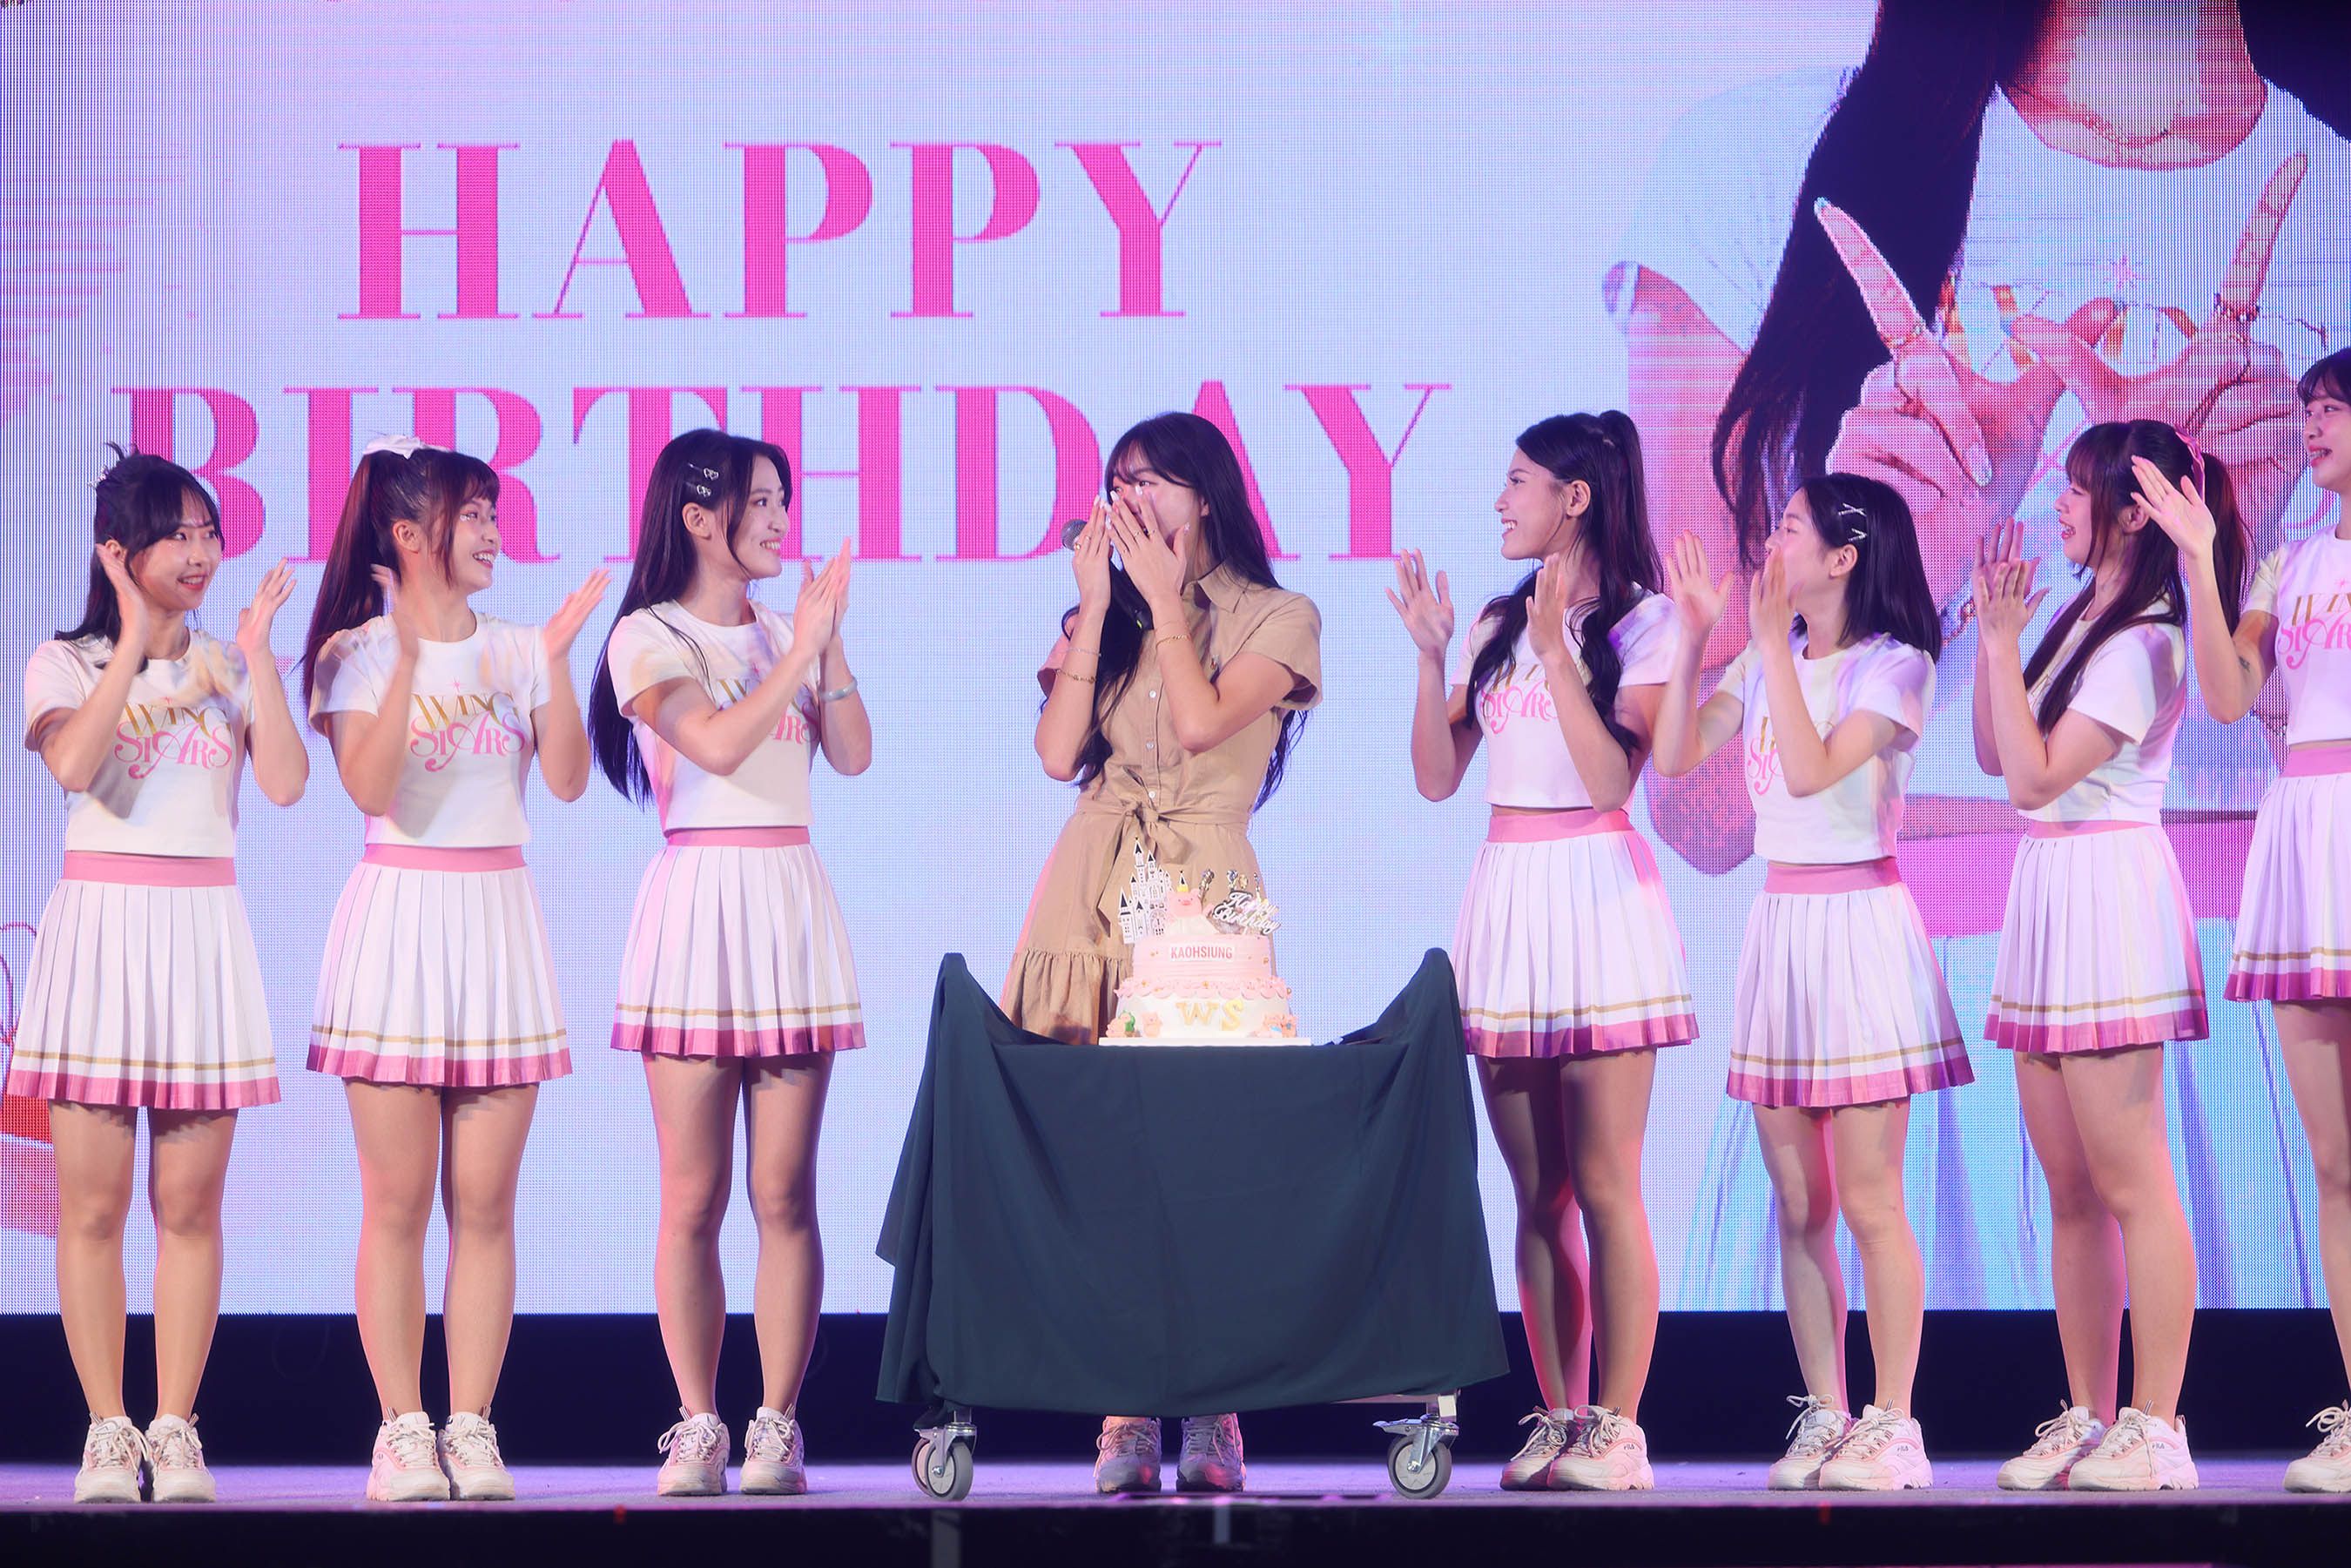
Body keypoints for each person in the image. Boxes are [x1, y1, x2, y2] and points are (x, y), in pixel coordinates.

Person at [1004, 410, 1320, 1494]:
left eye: (1150, 480)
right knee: (1105, 1161)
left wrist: (1169, 602)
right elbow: (1058, 753)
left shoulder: (1277, 615)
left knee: (1208, 1160)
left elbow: (1198, 724)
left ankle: (1215, 1410)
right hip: (1093, 883)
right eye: (1117, 481)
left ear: (1206, 493)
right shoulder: (1106, 614)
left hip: (1203, 891)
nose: (1127, 498)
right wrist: (1100, 606)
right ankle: (1127, 1408)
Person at [300, 436, 609, 1501]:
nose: (490, 531)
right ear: (406, 533)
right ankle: (401, 1428)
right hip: (398, 919)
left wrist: (555, 661)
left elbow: (566, 780)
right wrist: (412, 656)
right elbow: (368, 784)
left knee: (486, 1203)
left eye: (491, 512)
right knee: (397, 1201)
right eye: (471, 513)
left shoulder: (519, 647)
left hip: (496, 922)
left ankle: (471, 1424)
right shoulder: (354, 653)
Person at [1388, 413, 1694, 1491]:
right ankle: (1558, 1415)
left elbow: (1612, 780)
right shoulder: (1494, 621)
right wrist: (1434, 658)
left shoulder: (1648, 623)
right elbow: (1438, 777)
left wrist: (1562, 650)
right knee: (1538, 1194)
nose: (1501, 499)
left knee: (1608, 1182)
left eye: (1518, 480)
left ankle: (1621, 1424)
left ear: (1576, 496)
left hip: (1599, 894)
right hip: (1510, 897)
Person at [1654, 474, 1966, 1491]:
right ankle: (1826, 1412)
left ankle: (1895, 1421)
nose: (1772, 541)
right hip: (1781, 926)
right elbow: (1673, 753)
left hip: (1860, 927)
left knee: (1871, 1199)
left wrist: (1767, 646)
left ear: (1842, 557)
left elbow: (1809, 768)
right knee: (1799, 1204)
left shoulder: (1897, 665)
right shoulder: (1767, 655)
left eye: (1790, 528)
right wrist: (1698, 638)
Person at [9, 448, 306, 1503]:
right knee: (92, 1210)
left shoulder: (228, 663)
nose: (198, 551)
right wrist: (134, 643)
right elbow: (74, 764)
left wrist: (256, 658)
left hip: (200, 935)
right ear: (120, 550)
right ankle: (107, 1429)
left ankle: (175, 1427)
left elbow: (285, 783)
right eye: (176, 533)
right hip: (100, 934)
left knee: (189, 1207)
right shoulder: (65, 661)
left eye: (207, 532)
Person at [588, 430, 869, 1497]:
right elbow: (711, 742)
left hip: (788, 901)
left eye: (783, 499)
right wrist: (799, 650)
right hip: (699, 905)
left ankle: (776, 1423)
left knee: (784, 1190)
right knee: (693, 1193)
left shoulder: (788, 631)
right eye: (759, 502)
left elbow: (852, 754)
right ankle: (699, 1419)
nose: (778, 520)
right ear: (698, 518)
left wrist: (826, 646)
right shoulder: (646, 636)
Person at [1974, 421, 2243, 1491]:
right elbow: (1995, 751)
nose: (2059, 502)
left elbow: (2036, 777)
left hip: (2108, 896)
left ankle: (2158, 1424)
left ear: (2135, 511)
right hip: (2049, 888)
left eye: (2077, 487)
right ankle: (2088, 1416)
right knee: (2070, 1186)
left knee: (2133, 1179)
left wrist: (2004, 652)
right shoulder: (2080, 618)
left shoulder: (2146, 642)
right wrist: (1999, 643)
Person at [2131, 349, 2351, 1491]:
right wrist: (2201, 558)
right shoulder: (2293, 562)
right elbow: (2226, 694)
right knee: (2335, 1161)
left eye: (2334, 408)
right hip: (2308, 831)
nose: (2313, 424)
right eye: (2308, 407)